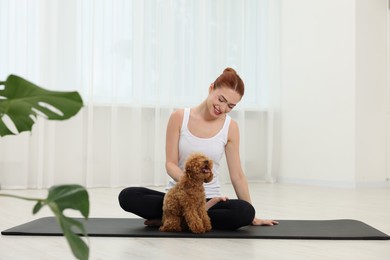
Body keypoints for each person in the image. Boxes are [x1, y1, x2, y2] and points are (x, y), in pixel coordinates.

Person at [118, 68, 278, 230]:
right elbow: (170, 164)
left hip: (209, 200)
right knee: (129, 196)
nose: (222, 108)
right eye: (221, 99)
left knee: (244, 211)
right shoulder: (179, 117)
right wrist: (190, 185)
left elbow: (237, 175)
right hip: (178, 196)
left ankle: (175, 220)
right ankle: (185, 216)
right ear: (211, 88)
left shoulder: (231, 127)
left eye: (230, 106)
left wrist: (252, 216)